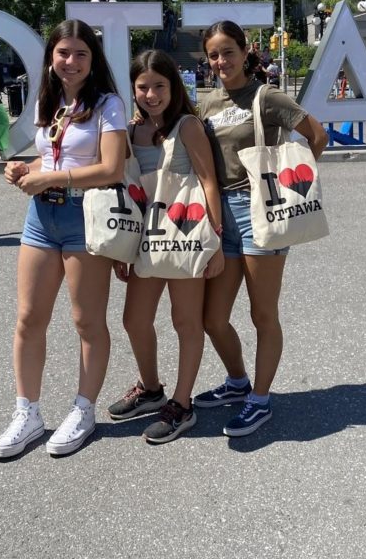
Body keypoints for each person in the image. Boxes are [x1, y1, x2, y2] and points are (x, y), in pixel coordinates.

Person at [0, 19, 126, 458]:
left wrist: (51, 176)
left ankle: (84, 409)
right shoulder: (47, 102)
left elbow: (112, 169)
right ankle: (27, 412)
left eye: (81, 54)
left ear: (93, 60)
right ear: (51, 56)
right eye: (64, 52)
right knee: (29, 318)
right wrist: (25, 168)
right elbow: (48, 153)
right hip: (40, 219)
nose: (71, 61)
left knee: (86, 321)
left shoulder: (108, 104)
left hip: (85, 217)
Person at [194, 20, 328, 437]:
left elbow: (316, 135)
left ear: (244, 50)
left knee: (262, 313)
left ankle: (260, 399)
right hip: (221, 216)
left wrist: (292, 186)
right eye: (213, 55)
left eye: (227, 52)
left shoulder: (266, 96)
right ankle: (238, 383)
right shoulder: (208, 104)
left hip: (260, 211)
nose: (220, 61)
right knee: (212, 318)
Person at [106, 50, 224, 444]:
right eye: (143, 87)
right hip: (144, 240)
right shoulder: (131, 131)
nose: (152, 94)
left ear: (174, 87)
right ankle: (152, 389)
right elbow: (128, 189)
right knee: (134, 320)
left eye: (160, 86)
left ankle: (182, 403)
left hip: (187, 236)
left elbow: (209, 182)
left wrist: (217, 241)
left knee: (186, 322)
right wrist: (120, 249)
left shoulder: (187, 125)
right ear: (133, 89)